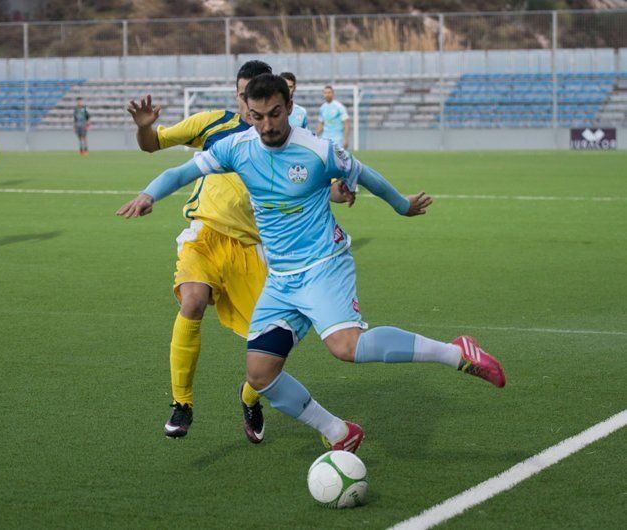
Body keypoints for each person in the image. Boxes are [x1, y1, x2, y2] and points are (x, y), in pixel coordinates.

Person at [117, 74, 505, 452]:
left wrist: (401, 205)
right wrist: (149, 194)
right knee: (260, 375)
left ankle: (456, 353)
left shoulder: (318, 150)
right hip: (281, 277)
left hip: (323, 264)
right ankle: (339, 432)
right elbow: (180, 171)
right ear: (247, 113)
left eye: (274, 113)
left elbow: (364, 174)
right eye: (257, 116)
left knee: (345, 346)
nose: (267, 125)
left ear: (288, 107)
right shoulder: (237, 147)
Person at [126, 61, 356, 441]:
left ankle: (250, 398)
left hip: (253, 250)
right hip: (206, 235)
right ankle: (181, 403)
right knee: (193, 301)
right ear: (239, 97)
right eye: (244, 96)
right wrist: (144, 127)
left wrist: (338, 191)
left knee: (269, 352)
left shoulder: (289, 138)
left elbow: (315, 186)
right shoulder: (213, 124)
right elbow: (153, 145)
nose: (252, 108)